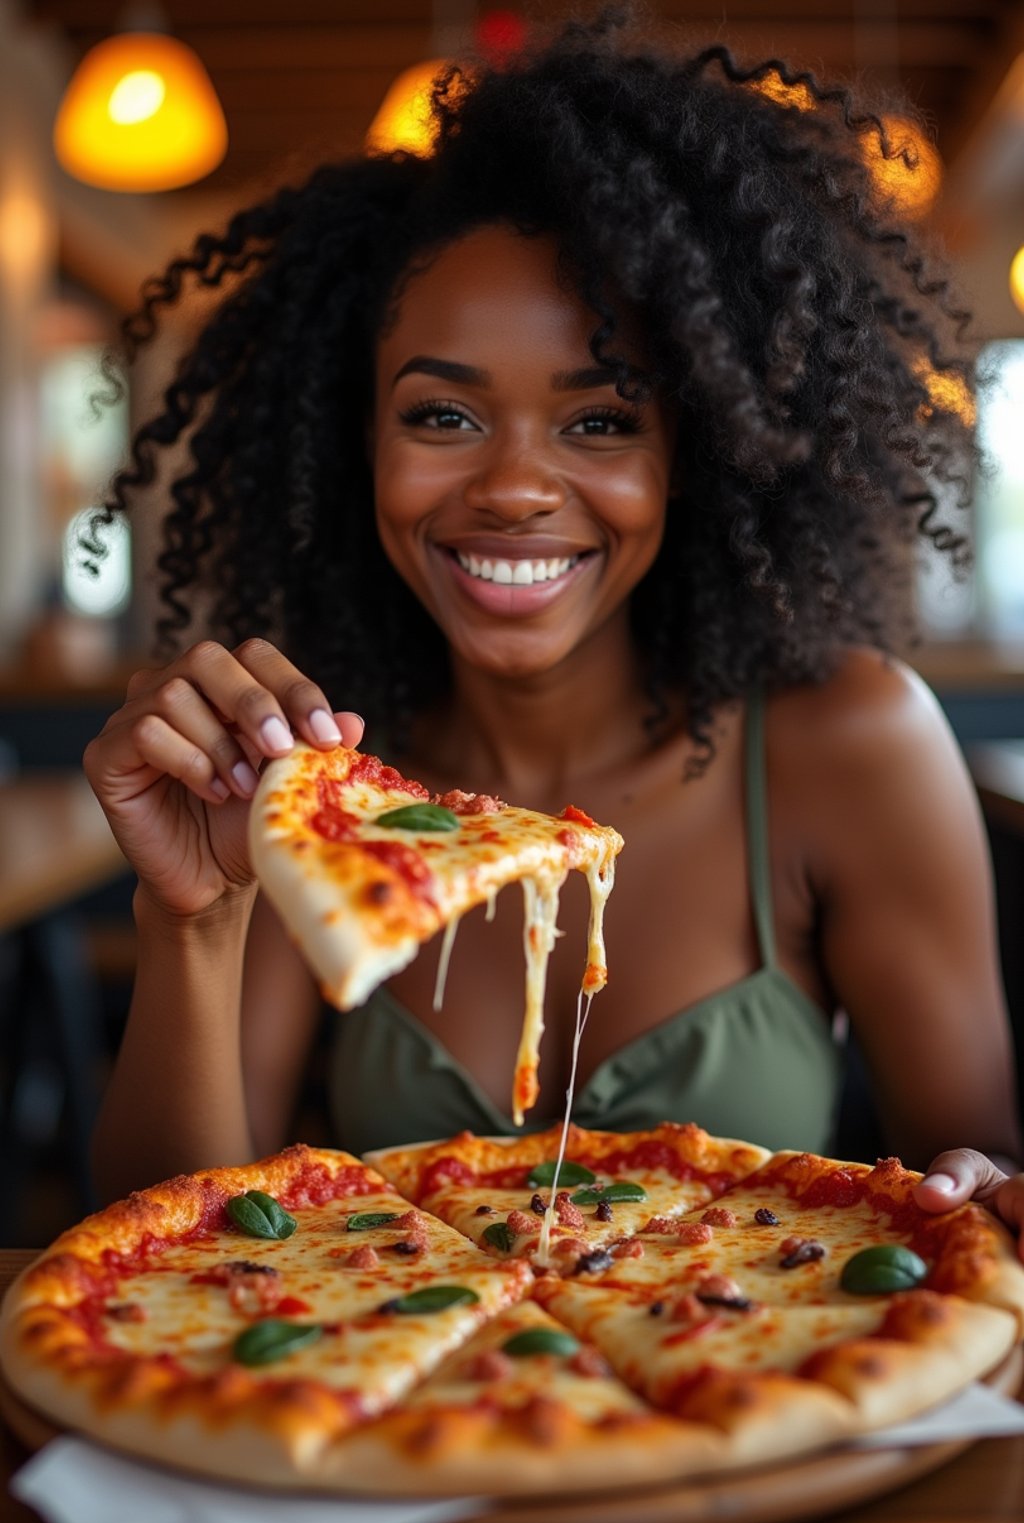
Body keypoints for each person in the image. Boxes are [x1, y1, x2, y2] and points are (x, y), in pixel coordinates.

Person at [83, 11, 1023, 1253]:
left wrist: (991, 1187)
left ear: (695, 454)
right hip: (381, 1420)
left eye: (599, 422)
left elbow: (981, 1182)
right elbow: (161, 1256)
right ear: (352, 440)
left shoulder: (849, 742)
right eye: (442, 417)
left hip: (758, 1400)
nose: (516, 488)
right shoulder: (314, 792)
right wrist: (193, 918)